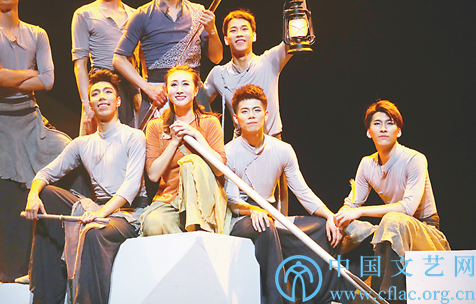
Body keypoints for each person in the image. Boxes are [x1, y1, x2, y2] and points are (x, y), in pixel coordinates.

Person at [0, 0, 71, 282]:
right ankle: (4, 273)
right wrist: (30, 74)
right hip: (2, 120)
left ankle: (54, 259)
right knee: (4, 201)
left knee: (70, 152)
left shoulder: (37, 34)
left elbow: (48, 80)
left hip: (31, 119)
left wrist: (14, 77)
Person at [23, 70, 147, 304]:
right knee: (46, 194)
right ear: (90, 104)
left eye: (107, 92)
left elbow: (130, 188)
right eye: (95, 93)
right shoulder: (82, 143)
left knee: (93, 232)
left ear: (118, 101)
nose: (102, 97)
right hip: (96, 208)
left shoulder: (134, 136)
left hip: (128, 214)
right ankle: (46, 296)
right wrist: (33, 195)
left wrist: (102, 213)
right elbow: (46, 173)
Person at [226, 84, 347, 304]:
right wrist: (253, 211)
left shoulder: (283, 149)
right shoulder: (229, 152)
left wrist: (330, 216)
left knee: (323, 228)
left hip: (272, 215)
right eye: (244, 111)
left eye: (256, 110)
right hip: (242, 218)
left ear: (266, 114)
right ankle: (277, 299)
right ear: (236, 118)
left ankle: (323, 298)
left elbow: (302, 191)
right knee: (264, 226)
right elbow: (233, 202)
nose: (251, 115)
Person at [334, 100, 450, 300]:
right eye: (377, 124)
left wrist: (360, 211)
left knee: (392, 219)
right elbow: (351, 204)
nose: (383, 129)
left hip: (425, 232)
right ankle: (332, 289)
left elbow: (408, 208)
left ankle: (387, 296)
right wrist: (335, 220)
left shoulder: (415, 159)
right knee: (343, 226)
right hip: (391, 230)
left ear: (399, 131)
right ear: (369, 132)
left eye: (390, 123)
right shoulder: (367, 164)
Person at [113, 0, 223, 118]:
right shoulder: (143, 14)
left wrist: (212, 30)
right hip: (159, 96)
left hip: (193, 94)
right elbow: (118, 59)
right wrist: (148, 88)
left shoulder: (198, 12)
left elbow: (217, 58)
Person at [204, 0, 308, 139]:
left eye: (244, 29)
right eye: (233, 30)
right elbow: (197, 102)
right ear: (226, 39)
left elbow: (298, 36)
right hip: (240, 145)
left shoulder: (269, 61)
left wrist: (299, 0)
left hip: (272, 141)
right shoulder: (218, 74)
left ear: (254, 36)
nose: (239, 34)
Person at [140, 65, 229, 236]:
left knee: (191, 162)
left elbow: (219, 170)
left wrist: (196, 135)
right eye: (174, 85)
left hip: (203, 200)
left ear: (195, 91)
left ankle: (197, 231)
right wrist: (174, 142)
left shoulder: (209, 122)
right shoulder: (156, 126)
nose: (179, 90)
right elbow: (153, 175)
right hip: (170, 201)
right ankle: (189, 242)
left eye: (185, 84)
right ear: (167, 90)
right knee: (153, 223)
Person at [72, 0, 139, 135]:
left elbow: (142, 61)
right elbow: (80, 65)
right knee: (98, 145)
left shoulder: (136, 15)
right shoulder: (85, 14)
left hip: (129, 89)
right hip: (101, 87)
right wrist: (87, 104)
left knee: (132, 142)